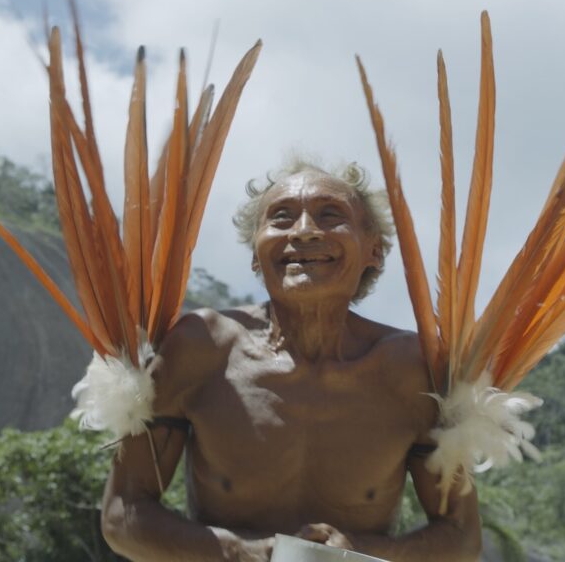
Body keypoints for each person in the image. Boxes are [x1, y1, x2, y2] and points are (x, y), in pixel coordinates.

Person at [101, 160, 482, 562]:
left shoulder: (414, 371)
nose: (303, 231)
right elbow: (122, 516)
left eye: (330, 215)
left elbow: (461, 537)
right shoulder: (201, 348)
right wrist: (248, 553)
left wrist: (361, 554)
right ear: (254, 253)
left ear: (375, 251)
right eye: (281, 218)